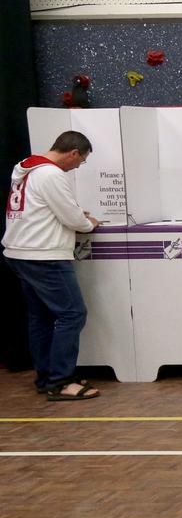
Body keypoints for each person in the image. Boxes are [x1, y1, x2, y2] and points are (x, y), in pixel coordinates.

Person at [2, 131, 101, 400]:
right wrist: (87, 222)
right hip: (44, 254)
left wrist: (74, 214)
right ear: (73, 153)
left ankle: (46, 377)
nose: (78, 166)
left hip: (19, 252)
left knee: (41, 317)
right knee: (72, 314)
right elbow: (71, 217)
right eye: (81, 161)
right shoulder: (51, 174)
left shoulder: (27, 168)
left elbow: (42, 208)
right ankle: (61, 381)